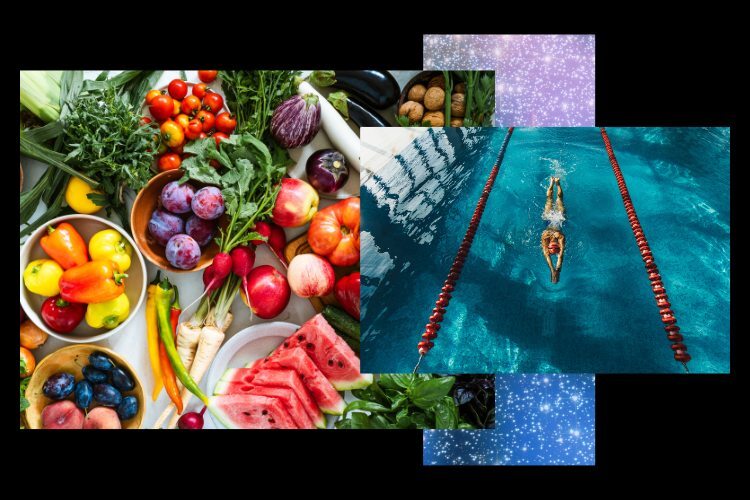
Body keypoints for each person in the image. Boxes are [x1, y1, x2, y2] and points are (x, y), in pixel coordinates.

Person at [541, 177, 566, 283]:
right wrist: (555, 271)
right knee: (556, 199)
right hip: (556, 218)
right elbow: (559, 256)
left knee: (551, 199)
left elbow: (555, 256)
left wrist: (553, 270)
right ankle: (556, 183)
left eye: (553, 245)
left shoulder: (547, 237)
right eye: (557, 245)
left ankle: (554, 183)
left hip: (552, 218)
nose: (554, 243)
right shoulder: (559, 237)